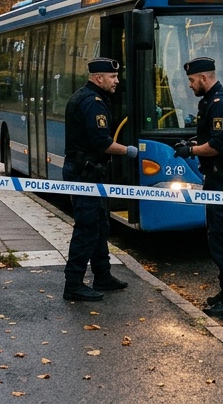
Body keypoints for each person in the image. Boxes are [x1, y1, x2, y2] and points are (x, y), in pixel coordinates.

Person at [61, 58, 139, 301]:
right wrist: (129, 151)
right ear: (98, 78)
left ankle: (102, 276)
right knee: (87, 228)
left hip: (91, 172)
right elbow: (102, 143)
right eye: (113, 77)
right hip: (85, 173)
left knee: (100, 225)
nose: (117, 81)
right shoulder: (91, 102)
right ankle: (73, 284)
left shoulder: (93, 98)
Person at [173, 57, 223, 317]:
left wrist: (189, 150)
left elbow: (218, 144)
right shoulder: (211, 101)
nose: (190, 86)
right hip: (217, 176)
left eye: (192, 80)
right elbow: (211, 137)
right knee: (217, 235)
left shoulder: (220, 103)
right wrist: (192, 141)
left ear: (204, 78)